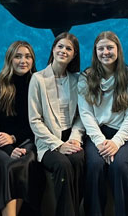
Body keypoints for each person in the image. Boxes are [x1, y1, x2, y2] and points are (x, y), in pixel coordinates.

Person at [76, 31, 128, 216]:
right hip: (97, 134)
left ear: (118, 50)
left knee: (120, 166)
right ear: (95, 51)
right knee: (95, 166)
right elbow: (86, 114)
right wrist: (100, 141)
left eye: (110, 47)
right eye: (101, 48)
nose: (106, 52)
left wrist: (116, 142)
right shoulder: (86, 77)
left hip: (124, 135)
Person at [0, 41, 43, 216]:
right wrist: (10, 148)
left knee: (24, 163)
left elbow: (37, 124)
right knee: (9, 164)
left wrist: (14, 138)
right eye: (18, 56)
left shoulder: (37, 85)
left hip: (27, 141)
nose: (23, 60)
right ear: (9, 59)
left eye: (27, 56)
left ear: (33, 60)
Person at [29, 32, 86, 216]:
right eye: (60, 46)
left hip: (70, 136)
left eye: (68, 48)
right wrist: (58, 145)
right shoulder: (37, 79)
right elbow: (35, 120)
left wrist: (75, 139)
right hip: (48, 142)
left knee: (78, 159)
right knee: (63, 165)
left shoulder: (76, 80)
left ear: (74, 55)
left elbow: (80, 116)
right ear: (53, 49)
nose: (63, 50)